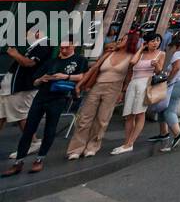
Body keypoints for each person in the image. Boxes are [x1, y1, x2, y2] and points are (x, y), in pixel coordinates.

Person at [2, 39, 89, 176]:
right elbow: (35, 80)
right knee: (29, 129)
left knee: (50, 128)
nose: (64, 50)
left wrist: (65, 77)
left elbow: (83, 77)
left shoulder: (80, 60)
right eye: (62, 48)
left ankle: (39, 159)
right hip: (41, 96)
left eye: (67, 47)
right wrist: (42, 79)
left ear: (74, 45)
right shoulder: (52, 61)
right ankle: (18, 162)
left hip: (58, 98)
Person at [66, 37, 132, 160]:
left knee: (102, 119)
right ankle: (76, 148)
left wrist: (122, 92)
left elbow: (128, 77)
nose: (120, 41)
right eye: (120, 39)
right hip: (97, 86)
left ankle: (92, 146)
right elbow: (94, 69)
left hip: (114, 89)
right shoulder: (109, 53)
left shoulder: (131, 58)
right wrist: (80, 84)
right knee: (85, 117)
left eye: (123, 39)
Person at [113, 33, 164, 155]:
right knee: (129, 115)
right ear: (146, 42)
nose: (155, 43)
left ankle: (130, 143)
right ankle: (127, 142)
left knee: (140, 113)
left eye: (157, 41)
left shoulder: (161, 54)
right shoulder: (140, 53)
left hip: (145, 84)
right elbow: (132, 63)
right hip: (133, 84)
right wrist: (141, 48)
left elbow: (159, 71)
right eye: (152, 40)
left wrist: (156, 65)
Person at [0, 28, 52, 142]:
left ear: (37, 32)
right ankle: (32, 141)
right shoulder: (34, 46)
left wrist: (15, 54)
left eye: (27, 34)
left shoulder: (44, 44)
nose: (26, 37)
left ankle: (32, 142)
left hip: (21, 88)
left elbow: (29, 63)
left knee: (21, 116)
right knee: (2, 115)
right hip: (11, 87)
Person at [152, 37, 180, 152]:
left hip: (178, 82)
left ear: (177, 46)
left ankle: (177, 134)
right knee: (163, 106)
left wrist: (168, 80)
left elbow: (177, 67)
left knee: (168, 109)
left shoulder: (178, 53)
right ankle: (163, 133)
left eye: (171, 48)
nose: (170, 50)